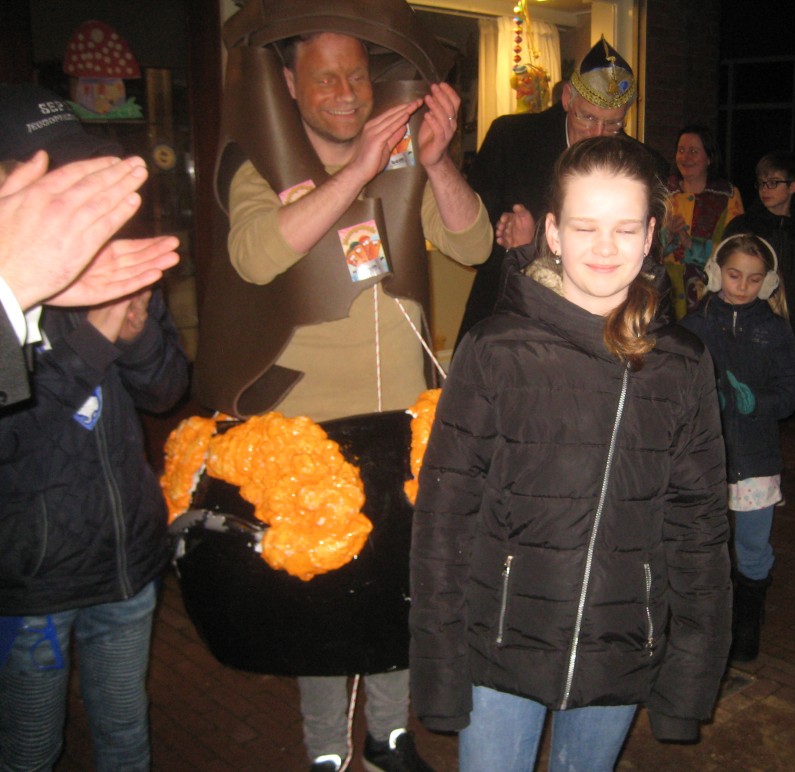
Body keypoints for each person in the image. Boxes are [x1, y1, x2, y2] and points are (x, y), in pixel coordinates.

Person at [191, 6, 494, 770]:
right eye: (324, 76)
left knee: (398, 583)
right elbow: (256, 253)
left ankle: (388, 737)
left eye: (356, 75)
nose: (345, 91)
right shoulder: (258, 162)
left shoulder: (402, 160)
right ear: (290, 84)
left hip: (399, 419)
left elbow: (474, 241)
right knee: (320, 590)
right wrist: (357, 171)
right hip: (306, 431)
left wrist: (435, 162)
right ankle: (326, 751)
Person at [409, 135, 732, 771]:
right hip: (502, 643)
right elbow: (444, 518)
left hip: (619, 644)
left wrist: (688, 680)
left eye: (625, 229)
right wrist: (439, 669)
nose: (605, 248)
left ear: (649, 237)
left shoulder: (680, 365)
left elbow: (698, 529)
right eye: (585, 227)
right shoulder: (496, 350)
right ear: (552, 232)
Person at [0, 87, 189, 771]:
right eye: (54, 175)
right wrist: (93, 343)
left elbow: (166, 390)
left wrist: (135, 335)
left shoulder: (118, 256)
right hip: (32, 584)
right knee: (29, 748)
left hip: (126, 563)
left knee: (125, 732)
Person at [456, 37, 668, 346]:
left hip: (600, 333)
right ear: (568, 97)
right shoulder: (511, 139)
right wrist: (511, 248)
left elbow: (647, 265)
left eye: (613, 124)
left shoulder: (646, 166)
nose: (597, 134)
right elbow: (474, 246)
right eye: (587, 117)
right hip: (506, 327)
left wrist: (533, 247)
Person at [680, 234, 795, 662]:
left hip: (755, 458)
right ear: (716, 274)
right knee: (702, 543)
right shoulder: (695, 326)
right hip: (703, 458)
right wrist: (701, 400)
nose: (743, 286)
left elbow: (792, 389)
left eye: (754, 279)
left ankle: (748, 619)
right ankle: (707, 620)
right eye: (734, 276)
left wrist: (757, 403)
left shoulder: (775, 330)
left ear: (768, 283)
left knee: (752, 544)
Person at [0, 151, 180, 406]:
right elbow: (16, 427)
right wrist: (92, 343)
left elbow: (166, 395)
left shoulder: (104, 263)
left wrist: (135, 341)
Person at [724, 151, 795, 350]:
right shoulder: (742, 227)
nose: (765, 190)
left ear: (793, 186)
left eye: (773, 183)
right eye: (762, 183)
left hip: (791, 334)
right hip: (747, 330)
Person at [660, 124, 744, 319]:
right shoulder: (663, 193)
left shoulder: (727, 196)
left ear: (709, 158)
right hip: (667, 297)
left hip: (711, 296)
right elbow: (645, 248)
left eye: (693, 151)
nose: (685, 157)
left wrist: (693, 246)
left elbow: (737, 250)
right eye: (681, 150)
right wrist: (666, 236)